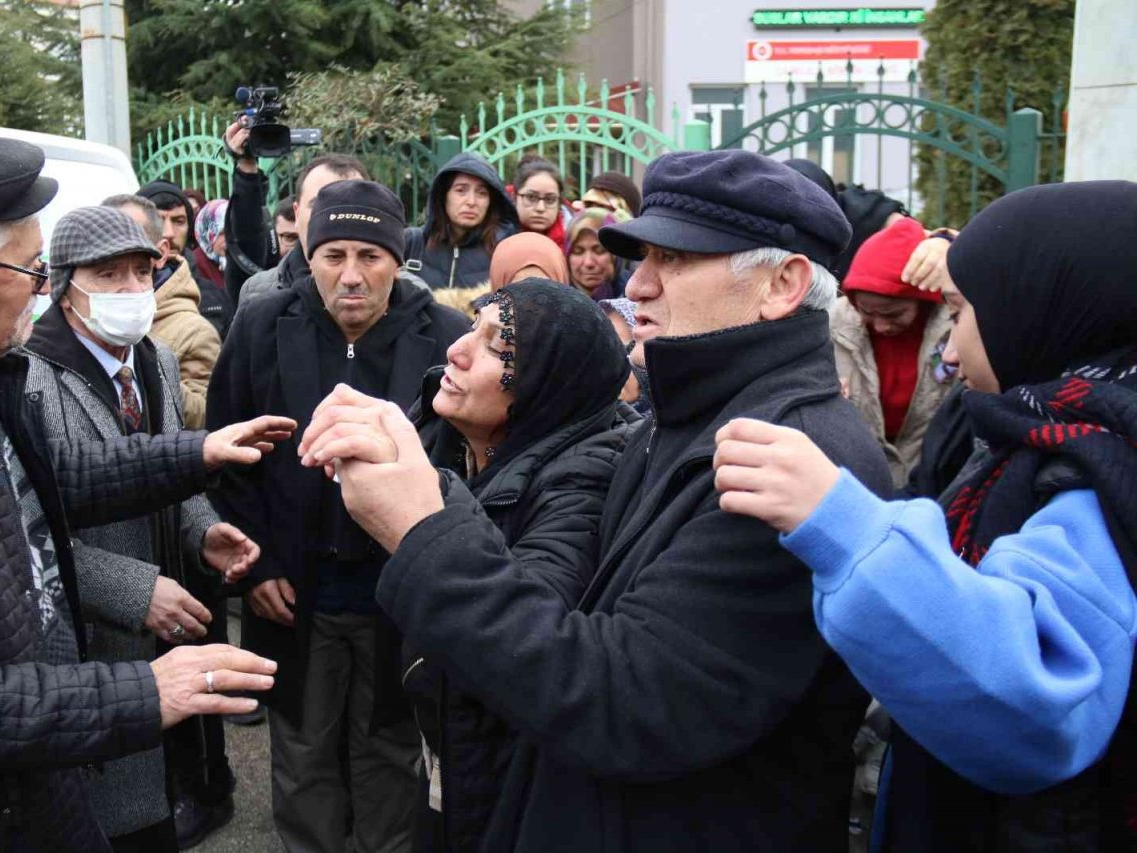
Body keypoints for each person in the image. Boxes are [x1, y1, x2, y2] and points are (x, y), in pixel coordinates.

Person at [298, 150, 894, 852]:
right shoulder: (691, 418)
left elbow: (624, 697)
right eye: (641, 257)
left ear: (783, 284)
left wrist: (422, 523)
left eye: (674, 260)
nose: (636, 285)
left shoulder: (787, 458)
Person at [0, 132, 290, 851]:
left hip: (32, 787)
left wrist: (200, 450)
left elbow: (52, 479)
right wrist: (140, 692)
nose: (41, 288)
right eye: (31, 269)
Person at [712, 180, 1137, 851]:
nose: (948, 351)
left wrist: (842, 523)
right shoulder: (1037, 438)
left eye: (962, 312)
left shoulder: (1094, 477)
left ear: (1047, 309)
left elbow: (1035, 702)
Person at [207, 180, 471, 853]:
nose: (350, 275)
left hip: (398, 587)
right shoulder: (262, 324)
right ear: (308, 253)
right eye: (332, 255)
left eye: (370, 256)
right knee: (302, 746)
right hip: (298, 587)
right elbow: (228, 453)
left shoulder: (444, 335)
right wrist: (259, 560)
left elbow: (469, 458)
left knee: (391, 745)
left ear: (397, 257)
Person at [358, 280, 638, 852]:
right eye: (471, 329)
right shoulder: (442, 432)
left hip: (509, 777)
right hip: (445, 751)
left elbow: (523, 636)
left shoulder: (584, 478)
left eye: (497, 349)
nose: (456, 352)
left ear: (547, 389)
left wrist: (420, 505)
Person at [25, 206, 254, 851]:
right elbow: (28, 528)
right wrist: (132, 590)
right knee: (110, 817)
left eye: (139, 271)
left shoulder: (156, 358)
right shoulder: (31, 378)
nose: (131, 290)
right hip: (91, 640)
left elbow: (173, 470)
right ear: (64, 285)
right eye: (108, 274)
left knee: (165, 795)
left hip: (172, 622)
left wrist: (204, 531)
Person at [831, 216, 955, 487]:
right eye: (867, 312)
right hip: (855, 481)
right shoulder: (832, 324)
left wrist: (950, 242)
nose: (881, 325)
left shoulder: (954, 330)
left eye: (893, 314)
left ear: (923, 301)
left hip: (931, 482)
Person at [225, 114, 370, 306]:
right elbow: (248, 238)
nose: (333, 217)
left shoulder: (406, 293)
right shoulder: (259, 293)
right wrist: (246, 166)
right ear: (297, 213)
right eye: (318, 205)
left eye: (347, 205)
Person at [103, 194, 221, 429]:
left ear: (160, 253)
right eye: (107, 271)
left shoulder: (194, 331)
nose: (125, 284)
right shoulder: (86, 314)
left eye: (138, 267)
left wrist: (142, 366)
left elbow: (207, 416)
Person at [404, 152, 518, 290]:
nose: (471, 202)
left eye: (481, 193)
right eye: (461, 191)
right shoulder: (412, 244)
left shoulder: (505, 250)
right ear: (443, 195)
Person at [137, 180, 230, 337]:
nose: (169, 233)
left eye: (178, 221)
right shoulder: (123, 294)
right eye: (158, 221)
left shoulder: (212, 296)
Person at [431, 231, 569, 315]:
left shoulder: (580, 342)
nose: (531, 301)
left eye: (543, 288)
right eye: (520, 289)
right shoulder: (469, 339)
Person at [563, 207, 632, 301]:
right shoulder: (556, 301)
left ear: (616, 255)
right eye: (578, 251)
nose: (588, 263)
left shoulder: (635, 297)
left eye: (599, 250)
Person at [511, 158, 569, 246]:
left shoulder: (573, 243)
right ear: (515, 197)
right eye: (531, 197)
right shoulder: (494, 239)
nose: (540, 208)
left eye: (550, 199)